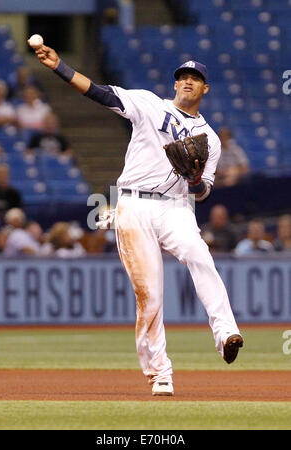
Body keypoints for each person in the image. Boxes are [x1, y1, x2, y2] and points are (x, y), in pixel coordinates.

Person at [32, 43, 243, 396]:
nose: (188, 82)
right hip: (133, 204)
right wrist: (60, 67)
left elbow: (204, 189)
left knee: (200, 256)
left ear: (205, 88)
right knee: (150, 295)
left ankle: (226, 334)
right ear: (175, 84)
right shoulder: (148, 104)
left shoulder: (210, 139)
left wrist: (193, 182)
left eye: (196, 78)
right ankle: (159, 373)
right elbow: (99, 93)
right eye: (183, 77)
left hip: (177, 206)